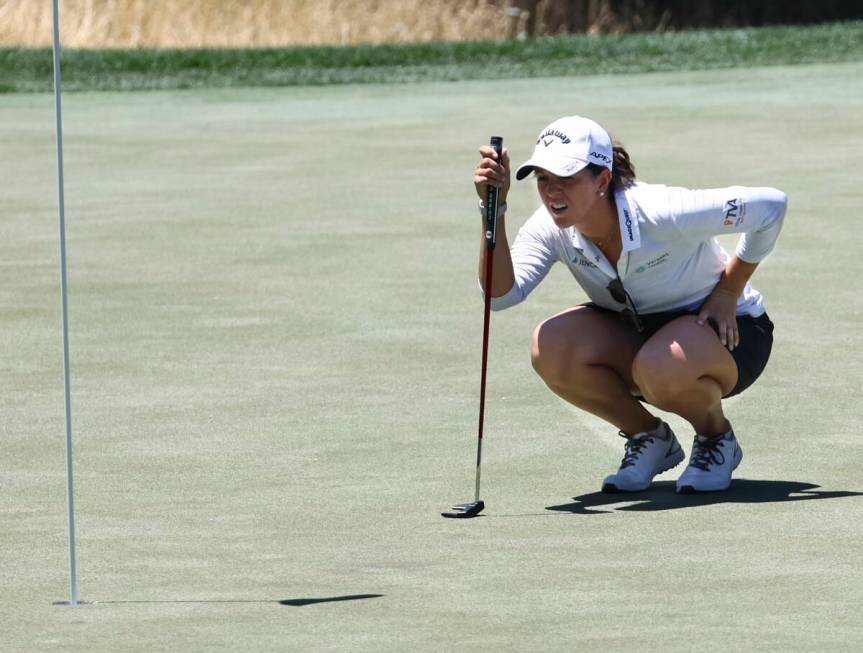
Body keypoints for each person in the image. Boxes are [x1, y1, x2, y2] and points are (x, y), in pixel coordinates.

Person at [472, 115, 786, 493]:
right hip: (644, 338)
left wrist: (728, 291)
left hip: (730, 332)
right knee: (551, 346)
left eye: (567, 178)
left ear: (602, 179)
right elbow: (501, 294)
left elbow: (771, 207)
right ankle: (649, 438)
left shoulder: (661, 209)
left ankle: (716, 438)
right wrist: (495, 210)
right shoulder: (549, 227)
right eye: (543, 179)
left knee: (660, 364)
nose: (553, 191)